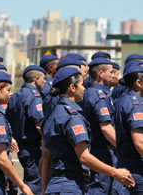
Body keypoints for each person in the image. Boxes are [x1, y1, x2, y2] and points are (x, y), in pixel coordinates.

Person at [41, 67, 135, 195]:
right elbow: (84, 156)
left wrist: (43, 190)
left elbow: (46, 156)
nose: (84, 88)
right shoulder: (72, 117)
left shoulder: (54, 113)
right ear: (72, 88)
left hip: (55, 185)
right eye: (81, 84)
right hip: (70, 186)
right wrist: (115, 172)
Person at [81, 58, 123, 194]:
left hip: (99, 150)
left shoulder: (97, 93)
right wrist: (125, 147)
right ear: (100, 73)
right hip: (101, 152)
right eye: (111, 72)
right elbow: (106, 128)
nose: (113, 75)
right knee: (100, 189)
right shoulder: (98, 95)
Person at [7, 65, 45, 194]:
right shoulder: (34, 95)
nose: (44, 82)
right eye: (43, 79)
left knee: (32, 180)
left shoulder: (15, 96)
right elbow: (39, 124)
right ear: (36, 78)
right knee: (36, 184)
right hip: (34, 147)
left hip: (23, 147)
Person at [114, 66, 143, 194]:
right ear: (138, 83)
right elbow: (139, 142)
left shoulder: (123, 100)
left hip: (126, 162)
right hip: (135, 166)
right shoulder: (135, 104)